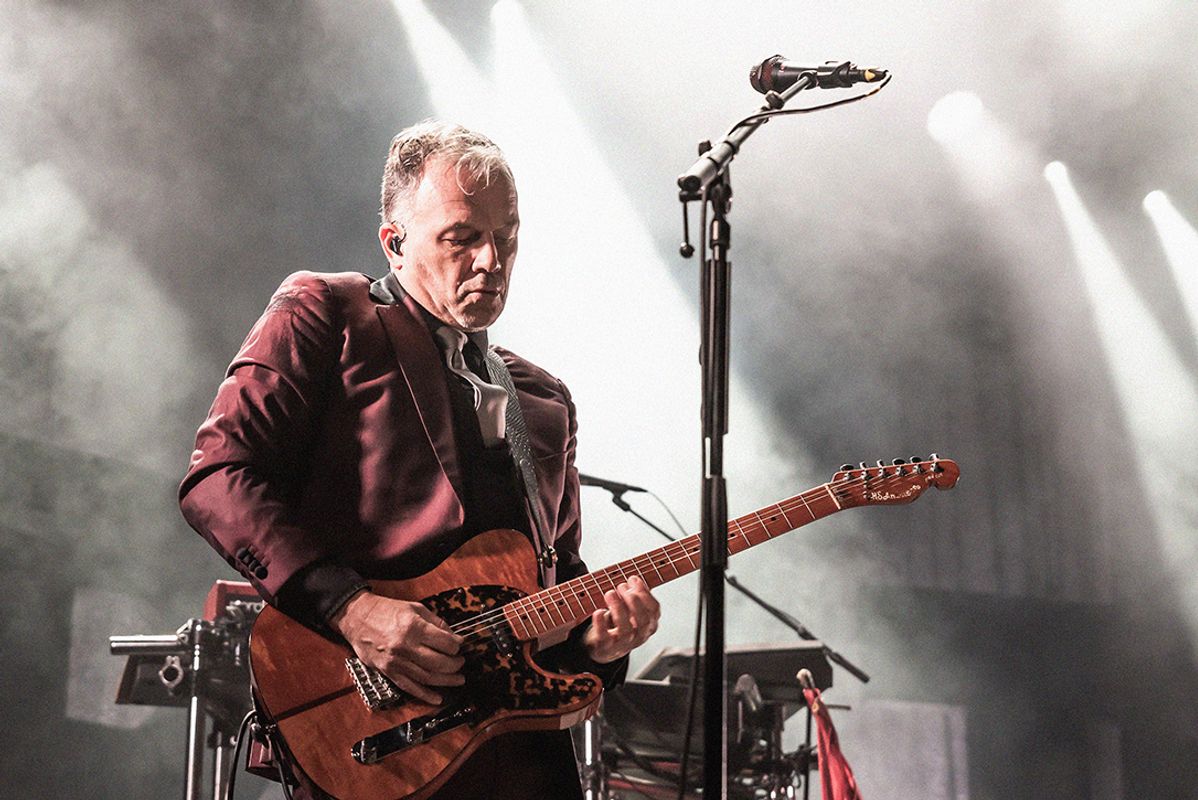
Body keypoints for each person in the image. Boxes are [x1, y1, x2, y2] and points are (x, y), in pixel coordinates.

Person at [179, 120, 661, 799]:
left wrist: (598, 647)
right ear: (396, 243)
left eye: (506, 236)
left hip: (521, 754)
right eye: (463, 237)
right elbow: (218, 477)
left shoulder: (544, 399)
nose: (492, 260)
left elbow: (556, 579)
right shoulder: (328, 312)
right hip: (376, 738)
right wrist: (351, 609)